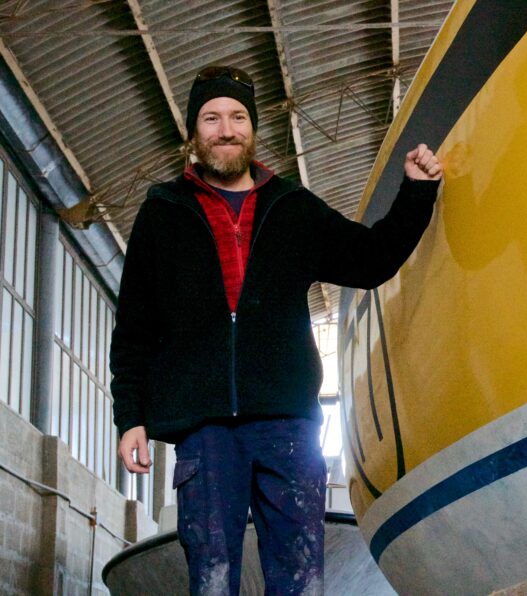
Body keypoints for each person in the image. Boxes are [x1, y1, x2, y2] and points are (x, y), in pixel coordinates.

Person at [110, 64, 442, 595]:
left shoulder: (293, 209)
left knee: (299, 579)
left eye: (238, 117)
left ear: (253, 129)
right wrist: (130, 417)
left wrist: (417, 193)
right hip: (206, 429)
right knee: (213, 579)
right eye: (212, 118)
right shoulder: (162, 213)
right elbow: (134, 328)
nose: (226, 129)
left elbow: (371, 259)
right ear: (194, 134)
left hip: (288, 426)